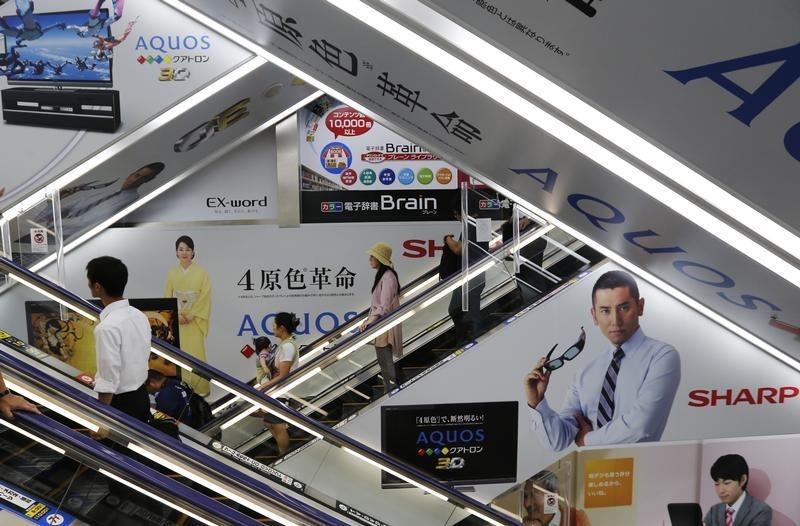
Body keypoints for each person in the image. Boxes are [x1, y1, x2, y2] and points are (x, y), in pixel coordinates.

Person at [524, 270, 681, 451]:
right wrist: (537, 401)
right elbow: (557, 442)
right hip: (592, 474)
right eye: (605, 311)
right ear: (594, 315)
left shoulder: (662, 356)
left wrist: (588, 440)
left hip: (639, 472)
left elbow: (641, 426)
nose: (615, 320)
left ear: (640, 306)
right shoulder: (586, 374)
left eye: (624, 308)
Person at [87, 256, 150, 424]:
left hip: (120, 405)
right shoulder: (139, 315)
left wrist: (102, 420)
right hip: (142, 397)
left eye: (89, 281)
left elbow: (109, 378)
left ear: (97, 287)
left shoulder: (106, 328)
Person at [49, 162, 165, 241]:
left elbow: (86, 221)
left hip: (64, 235)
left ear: (148, 181)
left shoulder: (131, 199)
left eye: (143, 178)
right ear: (131, 174)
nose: (136, 180)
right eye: (137, 175)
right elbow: (77, 203)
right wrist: (52, 213)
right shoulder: (111, 189)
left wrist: (55, 222)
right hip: (54, 226)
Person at [164, 235, 212, 397]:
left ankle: (200, 390)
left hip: (193, 322)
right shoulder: (172, 273)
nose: (184, 252)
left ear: (193, 252)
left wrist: (191, 315)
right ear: (176, 253)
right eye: (181, 249)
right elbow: (167, 297)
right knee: (179, 354)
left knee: (196, 354)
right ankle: (182, 389)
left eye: (188, 249)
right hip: (177, 323)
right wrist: (175, 315)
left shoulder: (201, 273)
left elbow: (205, 296)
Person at [442, 199, 490, 344]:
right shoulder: (482, 224)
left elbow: (459, 249)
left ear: (461, 213)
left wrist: (448, 239)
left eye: (456, 215)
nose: (457, 218)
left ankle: (472, 341)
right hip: (475, 274)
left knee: (465, 311)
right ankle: (466, 338)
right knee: (462, 310)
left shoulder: (471, 224)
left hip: (471, 275)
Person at [361, 242, 403, 394]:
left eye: (372, 256)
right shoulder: (386, 275)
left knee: (385, 361)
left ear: (379, 258)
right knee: (383, 361)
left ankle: (391, 390)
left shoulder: (387, 277)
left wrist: (369, 320)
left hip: (384, 325)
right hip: (382, 325)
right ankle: (389, 389)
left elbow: (384, 306)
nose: (370, 259)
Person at [259, 312, 300, 456]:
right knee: (270, 423)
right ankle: (282, 452)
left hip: (280, 391)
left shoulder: (287, 347)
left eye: (274, 326)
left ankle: (284, 454)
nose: (272, 328)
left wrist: (264, 386)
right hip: (275, 390)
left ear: (282, 328)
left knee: (278, 426)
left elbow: (283, 375)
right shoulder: (284, 345)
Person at [704, 454, 772, 526]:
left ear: (743, 480)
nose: (721, 491)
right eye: (717, 484)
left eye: (727, 483)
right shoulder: (714, 511)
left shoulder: (761, 510)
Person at [502, 214, 550, 306]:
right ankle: (534, 304)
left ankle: (538, 304)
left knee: (530, 275)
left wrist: (529, 218)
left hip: (530, 231)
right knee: (523, 275)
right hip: (521, 231)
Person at [522, 470, 590, 526]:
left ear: (553, 496)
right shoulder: (523, 523)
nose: (526, 503)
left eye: (533, 496)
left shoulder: (575, 518)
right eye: (525, 496)